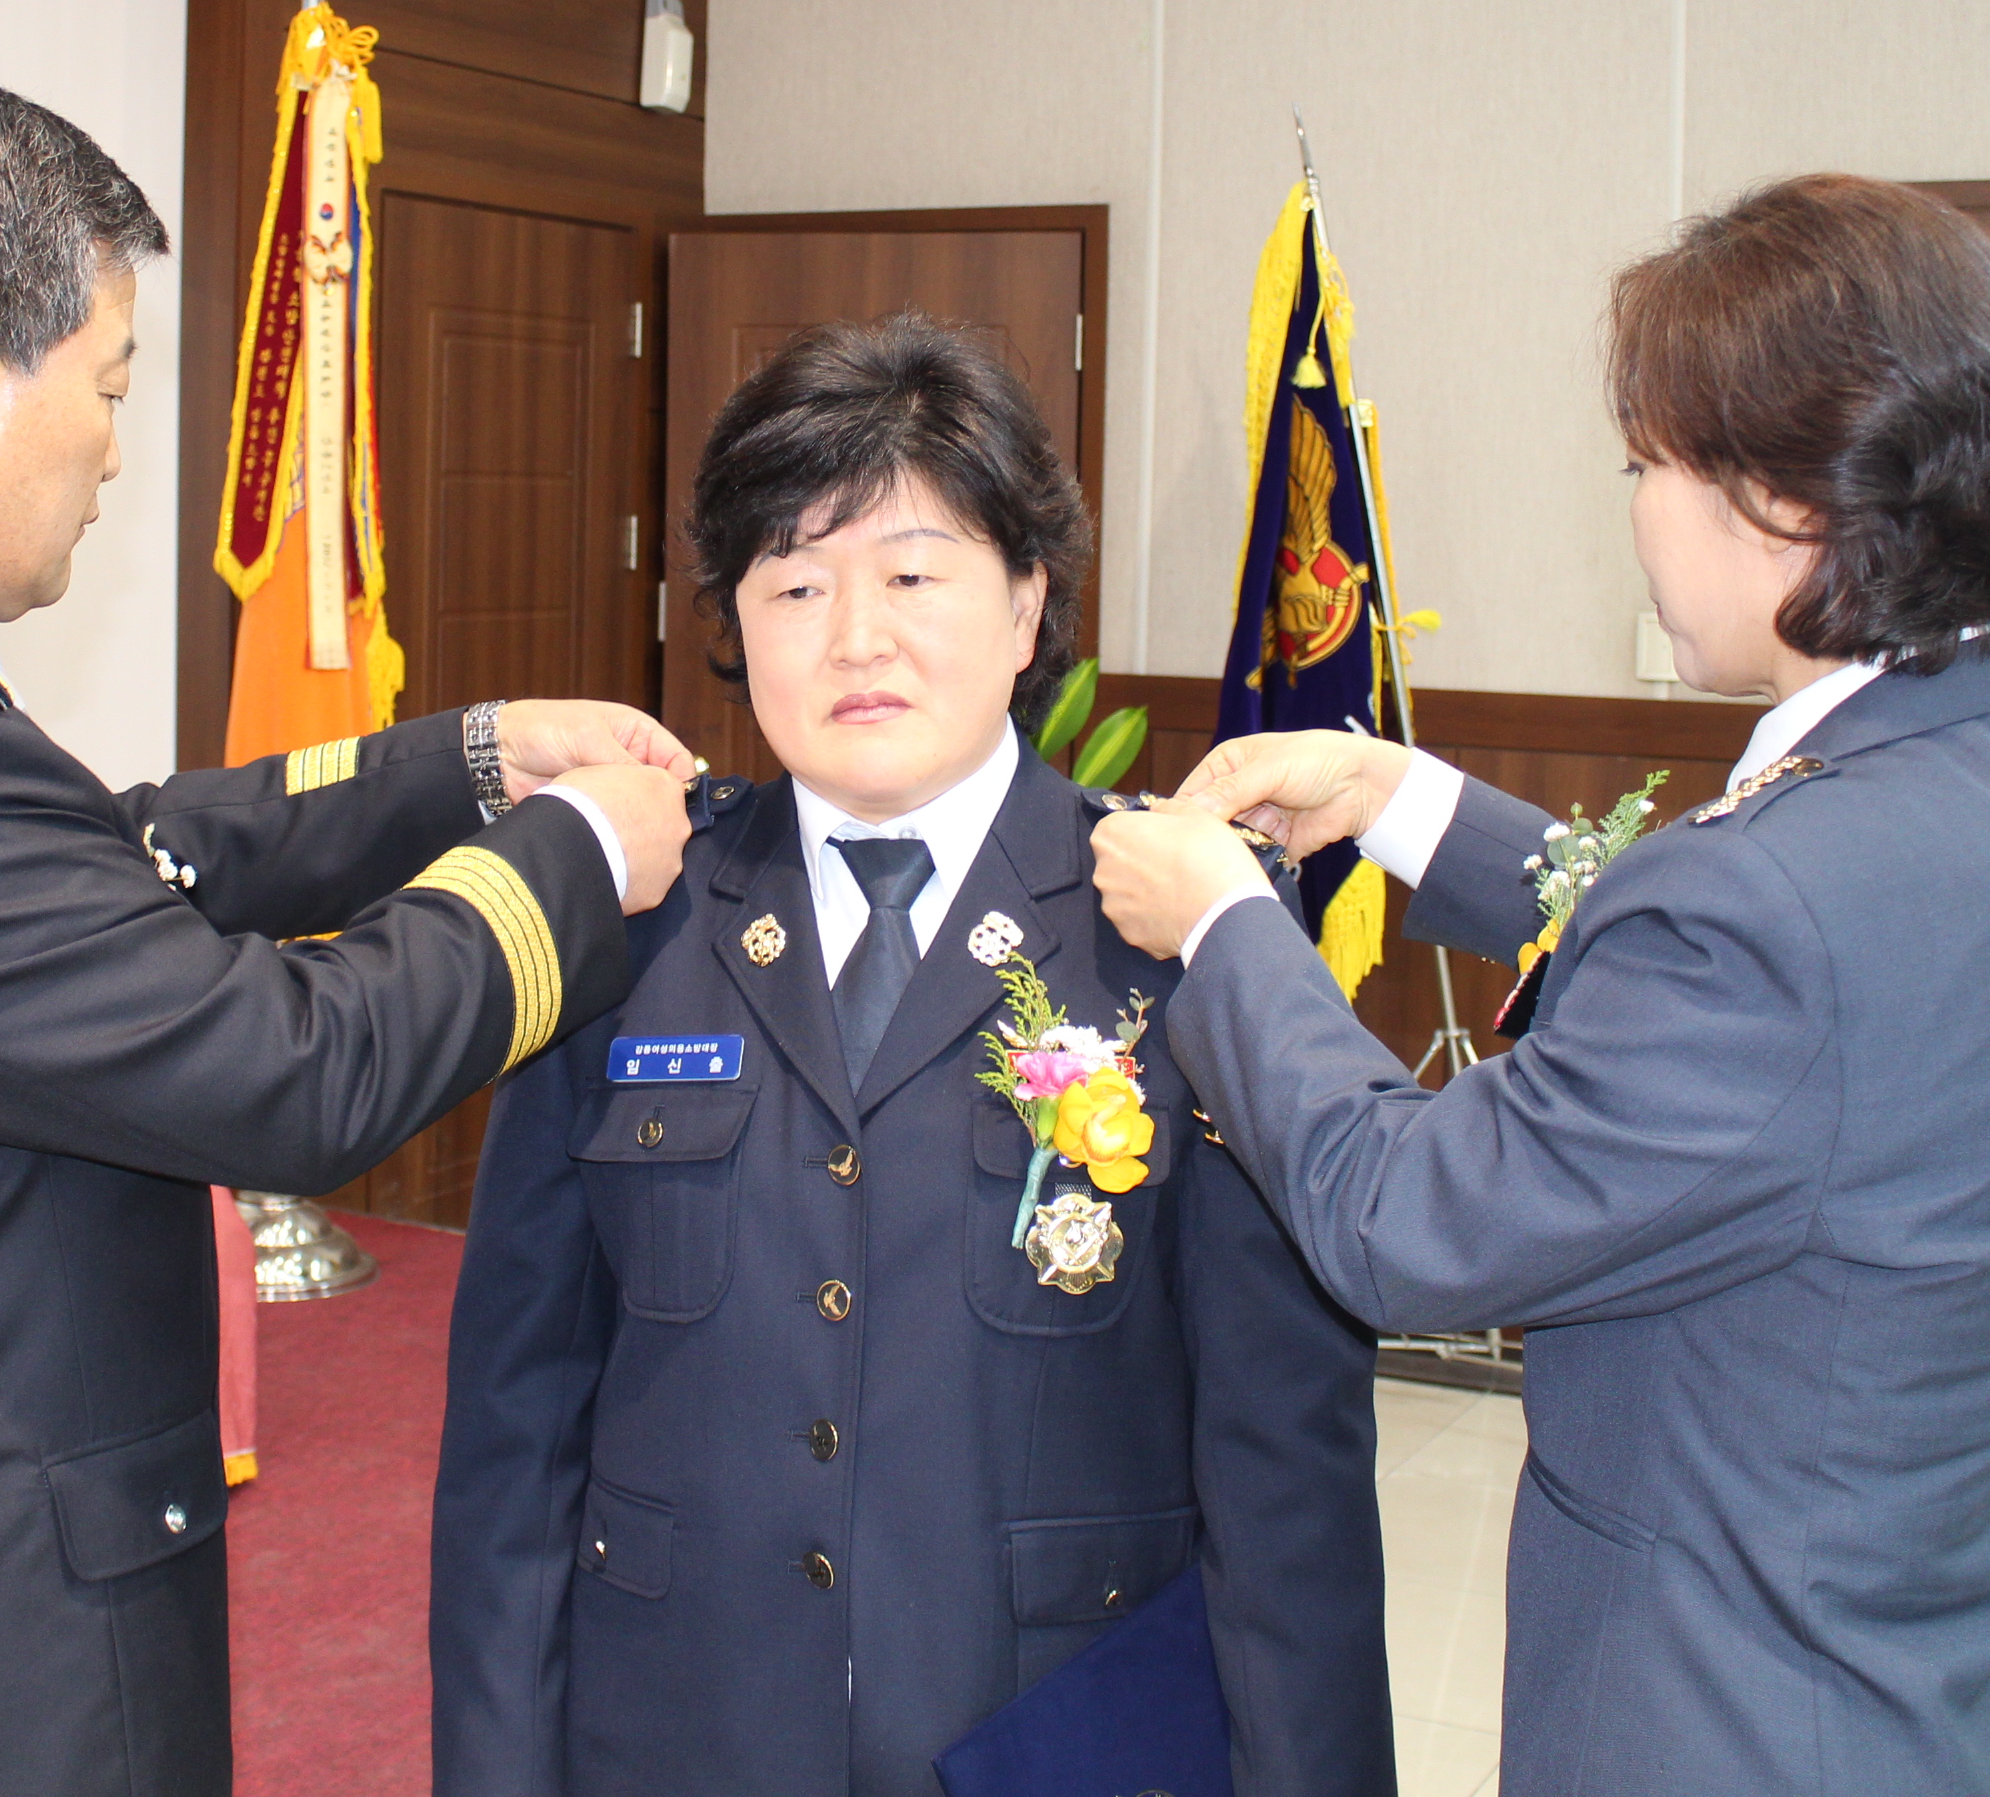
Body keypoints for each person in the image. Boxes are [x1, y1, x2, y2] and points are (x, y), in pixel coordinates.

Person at [0, 72, 694, 1797]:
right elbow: (297, 1074)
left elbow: (123, 860)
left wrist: (466, 763)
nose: (115, 448)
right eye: (105, 386)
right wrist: (574, 852)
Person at [1091, 174, 1990, 1797]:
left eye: (1646, 465)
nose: (1636, 510)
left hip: (1740, 1721)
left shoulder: (1780, 905)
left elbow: (1409, 1221)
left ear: (1784, 498)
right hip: (1965, 1696)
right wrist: (1397, 797)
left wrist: (1227, 928)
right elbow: (1770, 1033)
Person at [433, 315, 1393, 1797]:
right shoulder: (634, 916)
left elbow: (1288, 1467)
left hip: (1053, 1739)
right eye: (795, 583)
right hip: (680, 1736)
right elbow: (516, 1425)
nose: (854, 638)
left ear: (1026, 604)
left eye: (913, 575)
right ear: (734, 621)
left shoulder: (1174, 923)